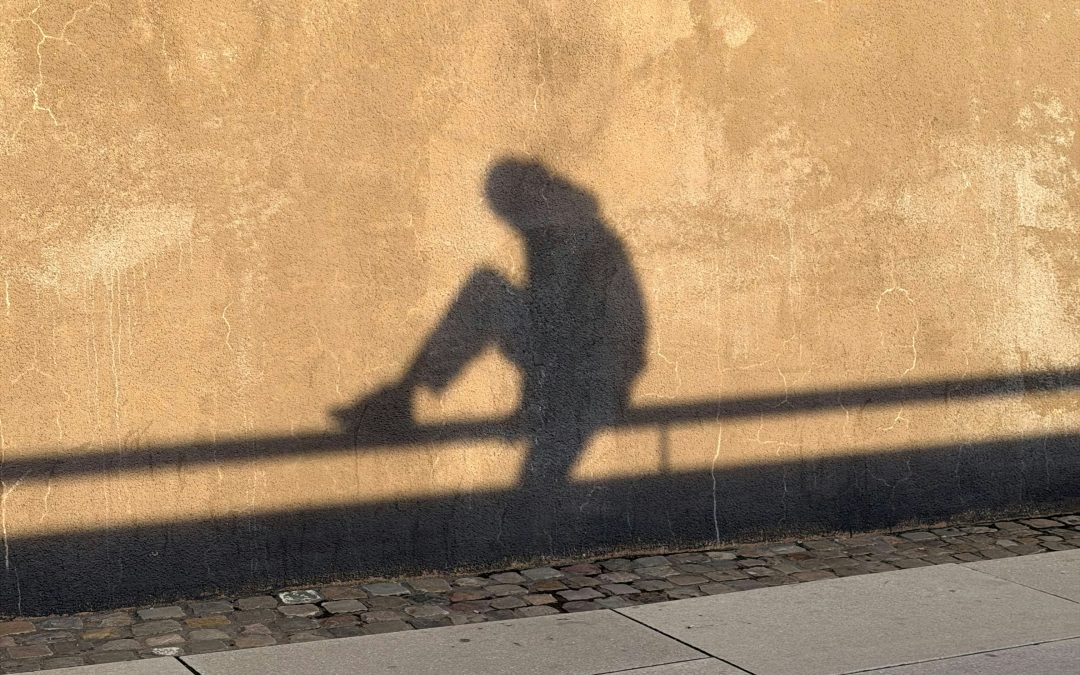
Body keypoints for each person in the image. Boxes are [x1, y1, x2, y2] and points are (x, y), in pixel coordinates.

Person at [335, 158, 646, 488]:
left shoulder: (564, 229)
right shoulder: (557, 225)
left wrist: (534, 406)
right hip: (585, 367)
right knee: (487, 290)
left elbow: (564, 329)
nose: (507, 216)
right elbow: (551, 325)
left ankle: (401, 398)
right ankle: (402, 396)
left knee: (486, 290)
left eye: (506, 205)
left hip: (593, 377)